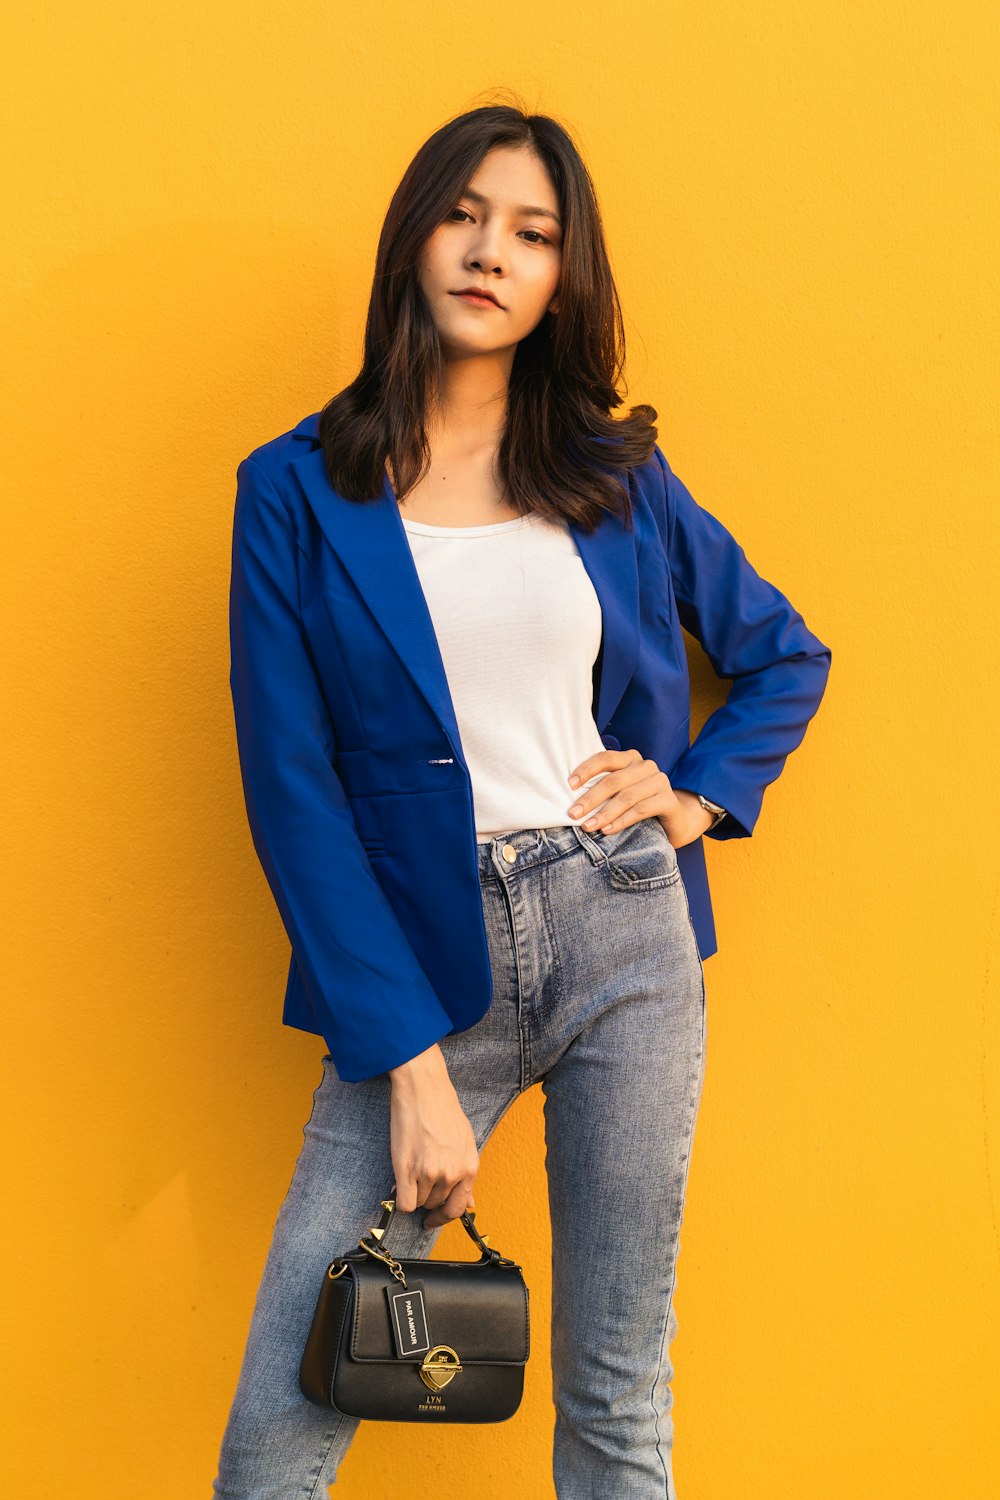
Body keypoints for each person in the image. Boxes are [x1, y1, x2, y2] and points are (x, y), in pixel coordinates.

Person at [212, 103, 832, 1499]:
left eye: (534, 234)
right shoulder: (295, 493)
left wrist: (696, 799)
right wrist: (413, 1069)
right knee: (282, 1431)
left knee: (618, 1397)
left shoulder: (613, 476)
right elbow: (293, 792)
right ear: (416, 237)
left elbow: (787, 654)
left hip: (624, 931)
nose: (494, 252)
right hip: (423, 970)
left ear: (565, 277)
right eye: (466, 215)